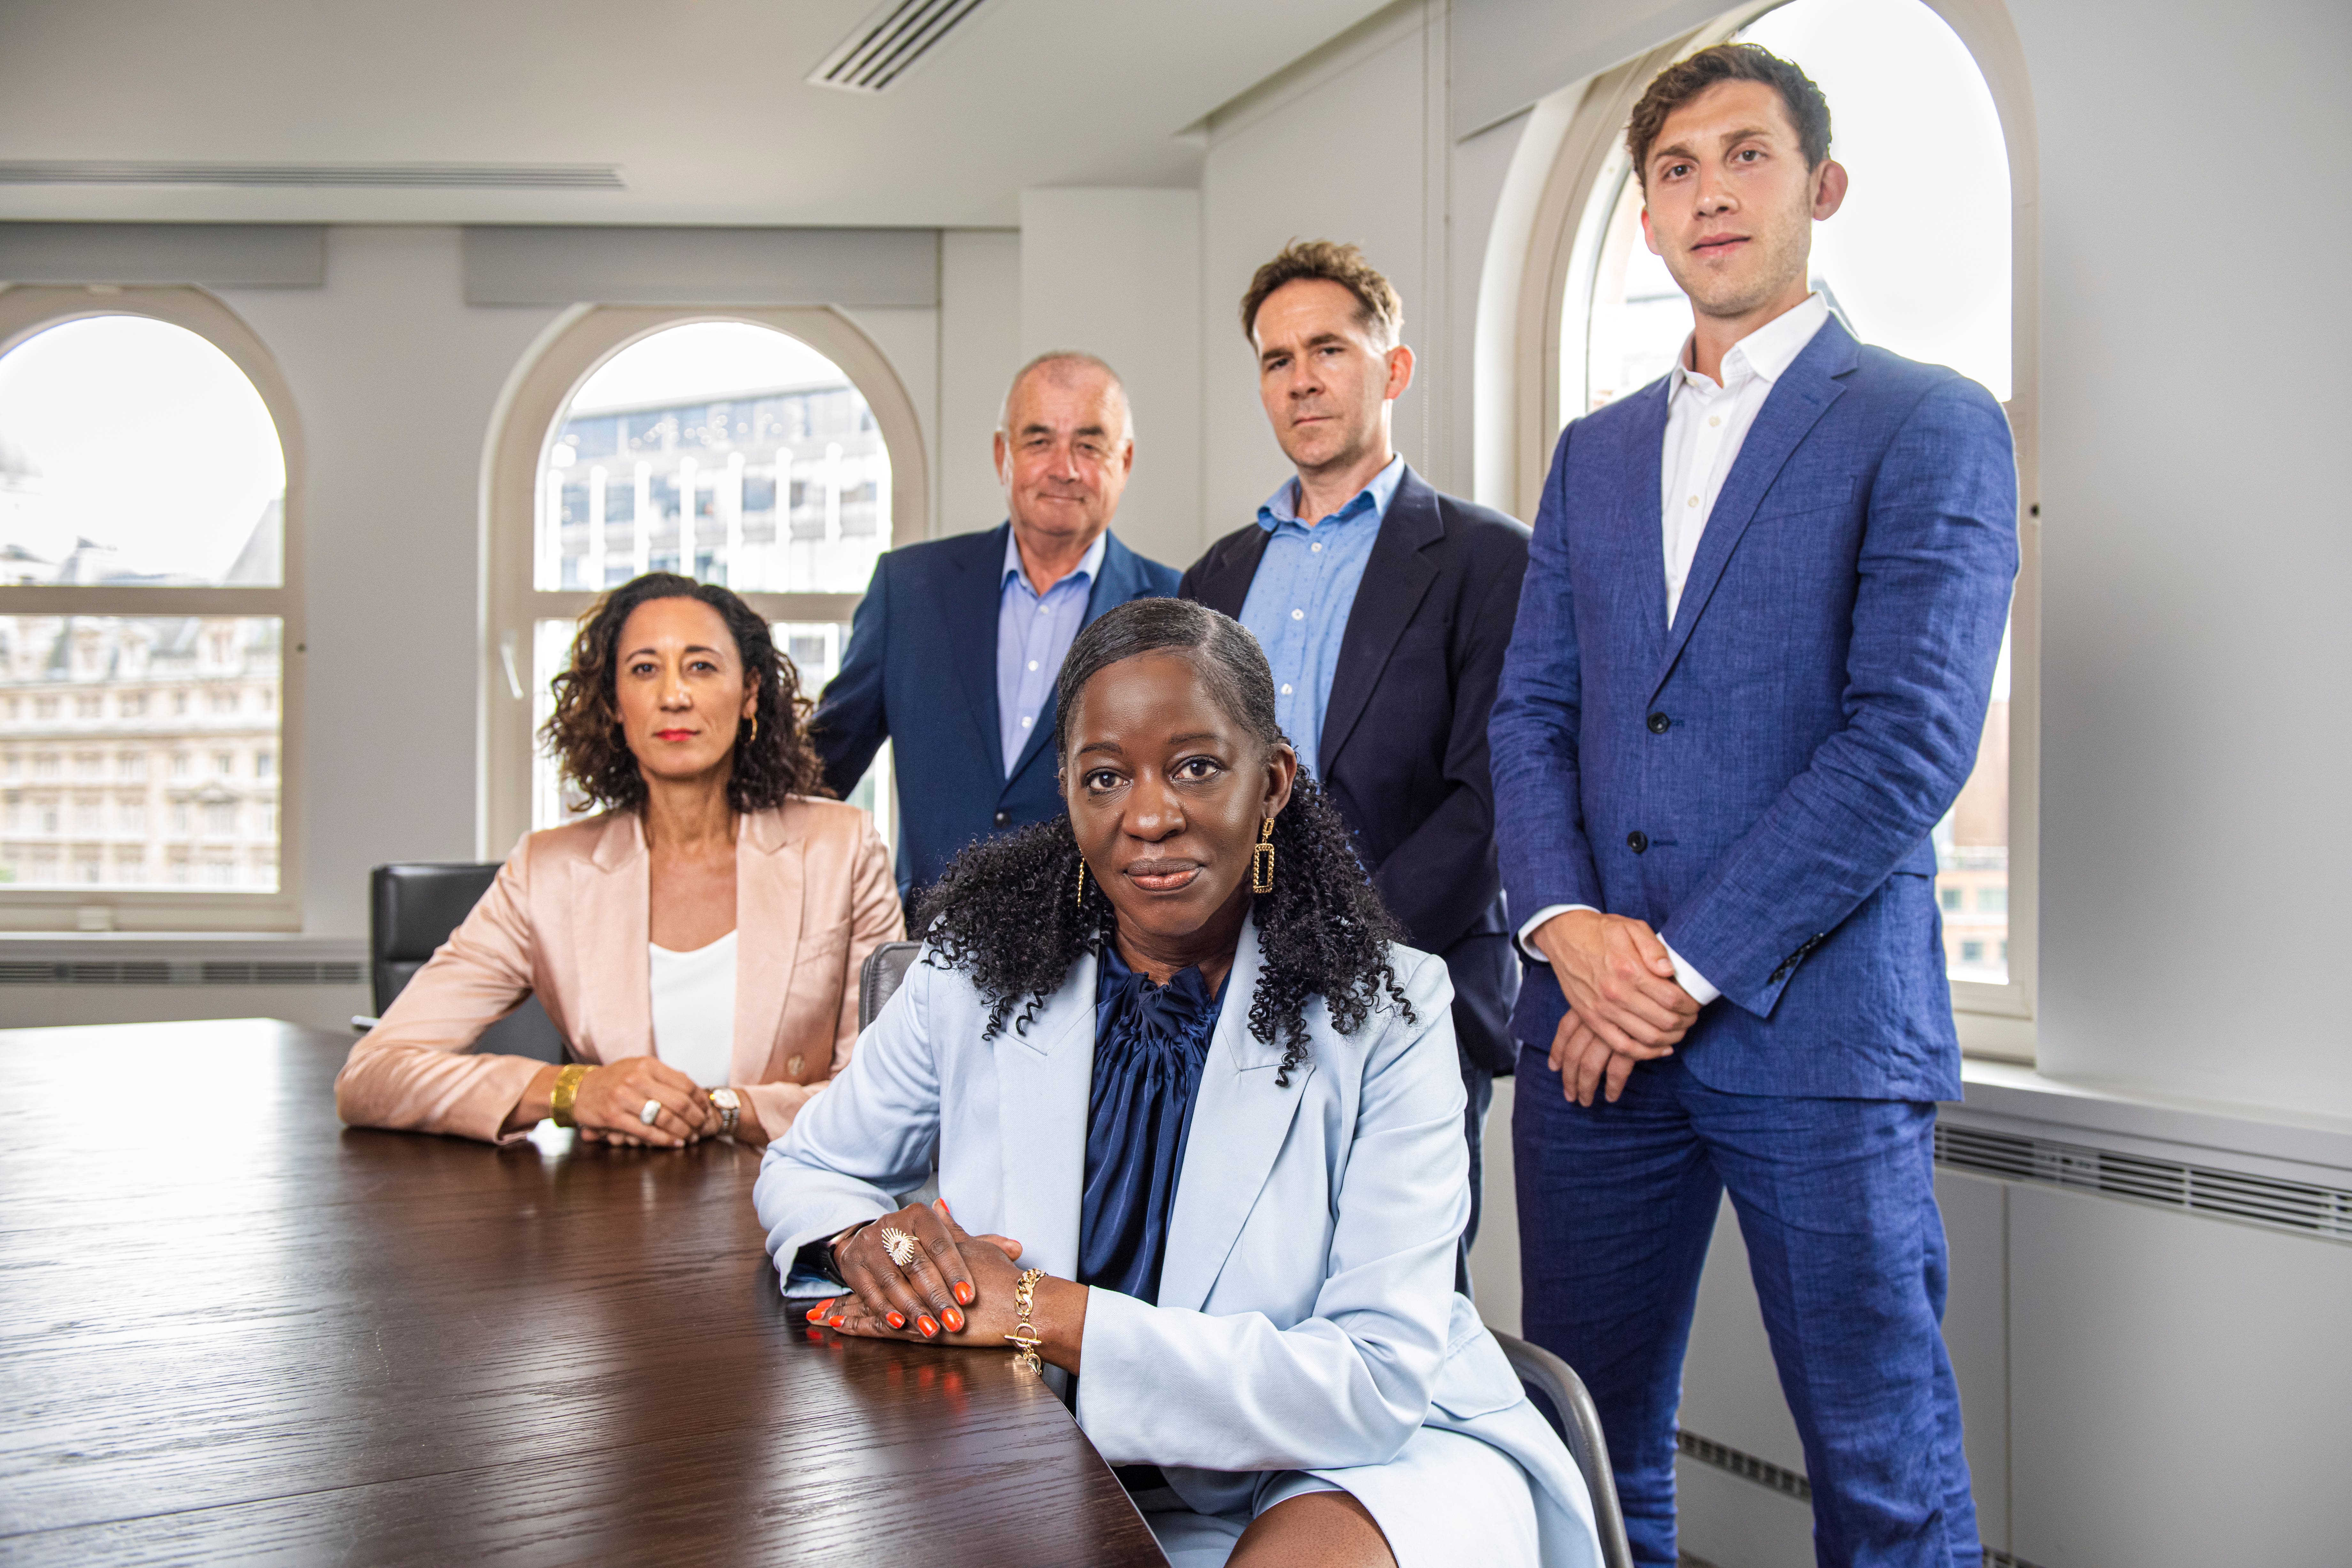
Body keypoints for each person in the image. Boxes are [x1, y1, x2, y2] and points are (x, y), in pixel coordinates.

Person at [756, 599, 1601, 1568]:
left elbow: (1367, 1383)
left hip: (1348, 1457)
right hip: (1038, 1453)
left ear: (1274, 781)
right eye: (1105, 777)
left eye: (1196, 767)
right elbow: (810, 1166)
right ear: (1068, 794)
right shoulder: (969, 972)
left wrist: (1038, 1309)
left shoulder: (1393, 1013)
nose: (1149, 815)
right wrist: (871, 1239)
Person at [1489, 44, 2017, 1568]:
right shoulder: (1592, 456)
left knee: (1880, 1461)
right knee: (1583, 1450)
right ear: (1647, 222)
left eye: (1744, 155)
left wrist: (1667, 968)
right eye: (1671, 169)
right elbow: (1529, 713)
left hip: (1819, 1034)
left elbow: (1904, 742)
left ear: (1819, 188)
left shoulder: (1924, 421)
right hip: (1585, 1042)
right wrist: (1566, 927)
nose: (1706, 189)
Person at [1182, 241, 1528, 1254]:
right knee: (1236, 1296)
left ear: (1395, 368)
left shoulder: (1487, 559)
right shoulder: (1216, 574)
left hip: (1409, 992)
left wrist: (1339, 946)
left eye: (1328, 348)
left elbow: (1493, 797)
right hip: (1229, 1002)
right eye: (1276, 359)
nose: (1302, 379)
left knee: (1405, 1318)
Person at [337, 573, 902, 1148]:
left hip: (797, 1206)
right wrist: (572, 1091)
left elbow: (886, 1093)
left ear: (750, 692)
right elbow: (371, 1074)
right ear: (613, 703)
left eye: (701, 666)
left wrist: (725, 1111)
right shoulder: (547, 872)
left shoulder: (843, 846)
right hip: (614, 1213)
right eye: (644, 669)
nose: (674, 695)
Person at [808, 351, 1180, 904]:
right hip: (931, 946)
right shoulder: (908, 588)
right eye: (1039, 442)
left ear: (1124, 461)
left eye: (1089, 444)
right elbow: (824, 767)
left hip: (1106, 959)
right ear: (1003, 454)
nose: (1065, 468)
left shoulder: (1176, 606)